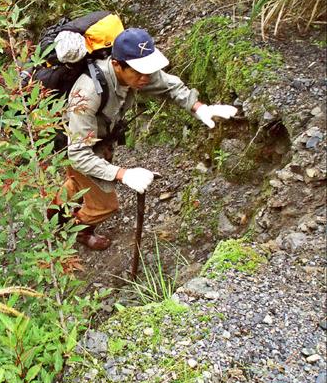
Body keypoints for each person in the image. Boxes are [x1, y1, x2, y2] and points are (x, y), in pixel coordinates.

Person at [53, 27, 237, 250]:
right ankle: (74, 230)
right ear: (116, 65)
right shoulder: (87, 93)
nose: (146, 78)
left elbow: (168, 84)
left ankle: (54, 210)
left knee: (77, 181)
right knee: (106, 205)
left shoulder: (136, 75)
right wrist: (123, 174)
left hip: (102, 139)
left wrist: (199, 108)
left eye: (148, 71)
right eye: (140, 72)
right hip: (76, 144)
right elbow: (78, 154)